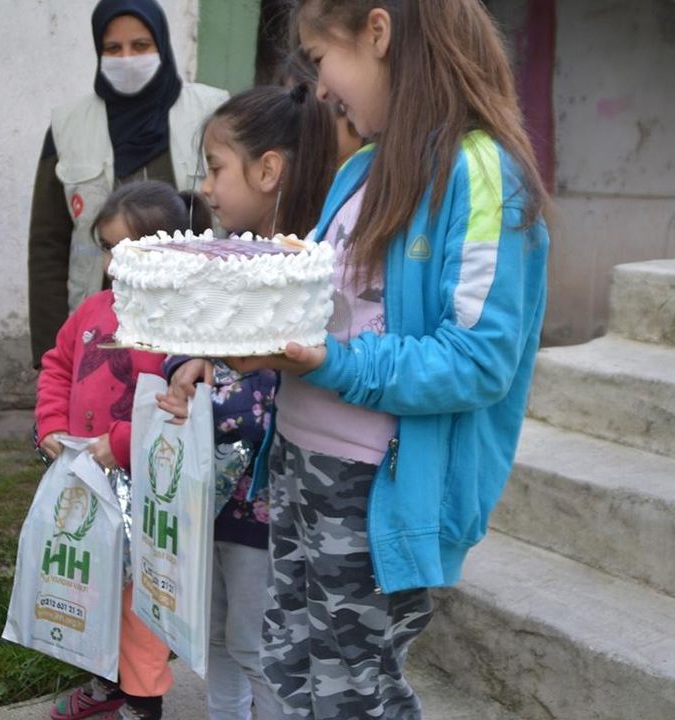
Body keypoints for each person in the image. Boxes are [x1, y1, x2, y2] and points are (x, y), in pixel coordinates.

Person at [214, 1, 553, 717]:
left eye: (322, 59)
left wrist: (331, 362)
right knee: (291, 670)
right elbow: (321, 306)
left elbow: (477, 360)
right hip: (298, 463)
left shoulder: (482, 173)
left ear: (378, 33)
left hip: (371, 489)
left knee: (354, 694)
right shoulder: (363, 167)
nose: (321, 89)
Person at [156, 83, 339, 720]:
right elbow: (186, 335)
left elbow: (278, 378)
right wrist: (185, 366)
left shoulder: (304, 270)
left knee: (260, 646)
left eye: (215, 169)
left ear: (267, 171)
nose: (205, 188)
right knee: (214, 636)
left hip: (267, 514)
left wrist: (222, 379)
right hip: (213, 499)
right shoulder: (224, 259)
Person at [37, 181, 206, 720]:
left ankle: (143, 700)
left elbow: (175, 410)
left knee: (140, 596)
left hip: (147, 490)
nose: (111, 262)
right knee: (94, 584)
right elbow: (57, 365)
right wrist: (50, 423)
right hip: (88, 477)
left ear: (167, 252)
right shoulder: (92, 311)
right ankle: (107, 681)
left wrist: (120, 443)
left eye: (125, 249)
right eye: (107, 247)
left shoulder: (176, 325)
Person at [26, 0, 228, 367]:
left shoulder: (211, 112)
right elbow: (48, 245)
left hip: (194, 327)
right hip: (102, 331)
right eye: (113, 48)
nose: (127, 59)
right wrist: (49, 356)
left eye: (140, 45)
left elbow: (240, 216)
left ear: (162, 44)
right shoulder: (68, 126)